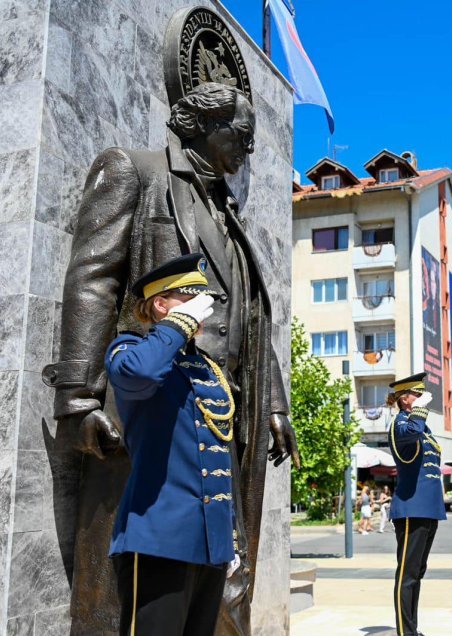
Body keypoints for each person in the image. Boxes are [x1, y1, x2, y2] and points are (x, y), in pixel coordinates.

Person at [41, 81, 298, 632]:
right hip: (151, 402)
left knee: (222, 573)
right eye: (241, 134)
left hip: (218, 406)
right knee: (140, 593)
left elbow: (252, 315)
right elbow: (93, 276)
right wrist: (78, 398)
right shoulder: (136, 171)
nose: (248, 149)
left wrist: (274, 402)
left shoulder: (229, 216)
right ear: (203, 125)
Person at [105, 254, 239, 634]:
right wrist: (179, 323)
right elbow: (140, 373)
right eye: (189, 297)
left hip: (209, 545)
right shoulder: (129, 350)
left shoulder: (205, 367)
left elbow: (219, 459)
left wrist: (227, 537)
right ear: (160, 304)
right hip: (157, 538)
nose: (203, 307)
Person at [386, 372, 447, 636]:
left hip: (428, 507)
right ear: (405, 399)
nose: (424, 398)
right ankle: (404, 632)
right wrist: (419, 410)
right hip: (411, 507)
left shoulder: (422, 426)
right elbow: (411, 433)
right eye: (418, 394)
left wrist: (420, 412)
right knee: (407, 575)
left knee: (417, 573)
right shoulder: (400, 423)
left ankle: (411, 629)